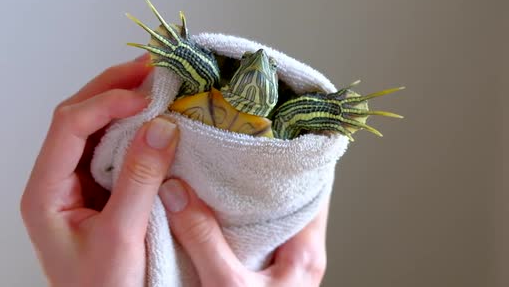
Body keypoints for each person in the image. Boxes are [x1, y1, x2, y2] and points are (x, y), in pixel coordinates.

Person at [20, 54, 329, 286]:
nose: (257, 69)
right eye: (250, 70)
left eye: (263, 80)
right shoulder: (208, 88)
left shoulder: (283, 123)